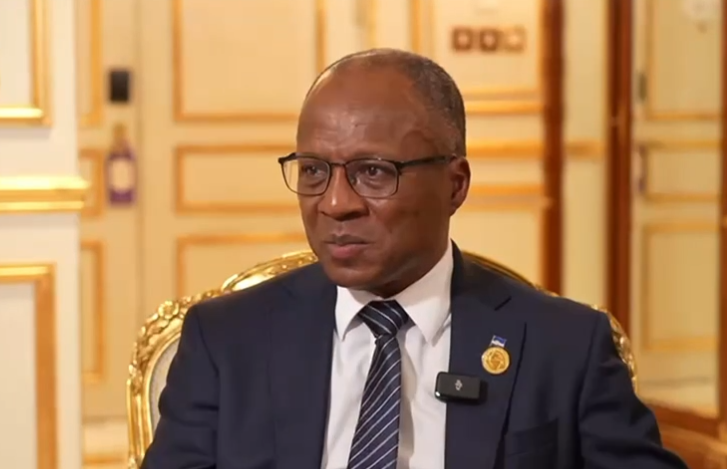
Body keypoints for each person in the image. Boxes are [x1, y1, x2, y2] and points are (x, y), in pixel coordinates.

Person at [141, 48, 688, 469]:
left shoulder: (565, 348)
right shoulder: (227, 340)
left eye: (373, 172)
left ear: (455, 185)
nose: (335, 203)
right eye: (313, 171)